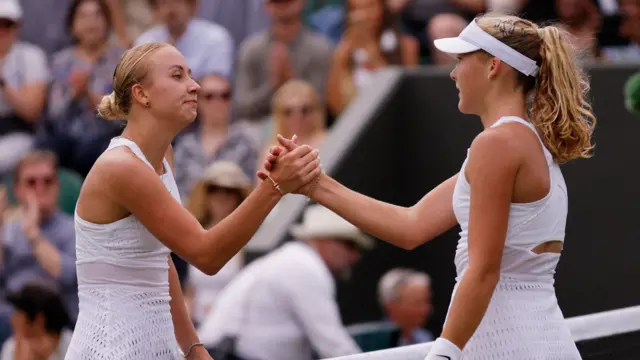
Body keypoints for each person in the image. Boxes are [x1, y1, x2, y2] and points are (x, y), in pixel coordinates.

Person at [261, 12, 596, 360]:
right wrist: (314, 184)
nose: (453, 72)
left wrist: (442, 353)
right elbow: (411, 226)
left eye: (461, 60)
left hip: (510, 347)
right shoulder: (521, 144)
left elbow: (483, 271)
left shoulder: (497, 145)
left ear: (494, 66)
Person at [65, 42, 321, 359]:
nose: (194, 85)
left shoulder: (163, 157)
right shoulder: (122, 168)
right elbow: (206, 254)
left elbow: (161, 261)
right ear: (141, 94)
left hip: (158, 348)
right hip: (110, 350)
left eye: (191, 75)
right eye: (177, 76)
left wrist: (194, 348)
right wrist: (274, 187)